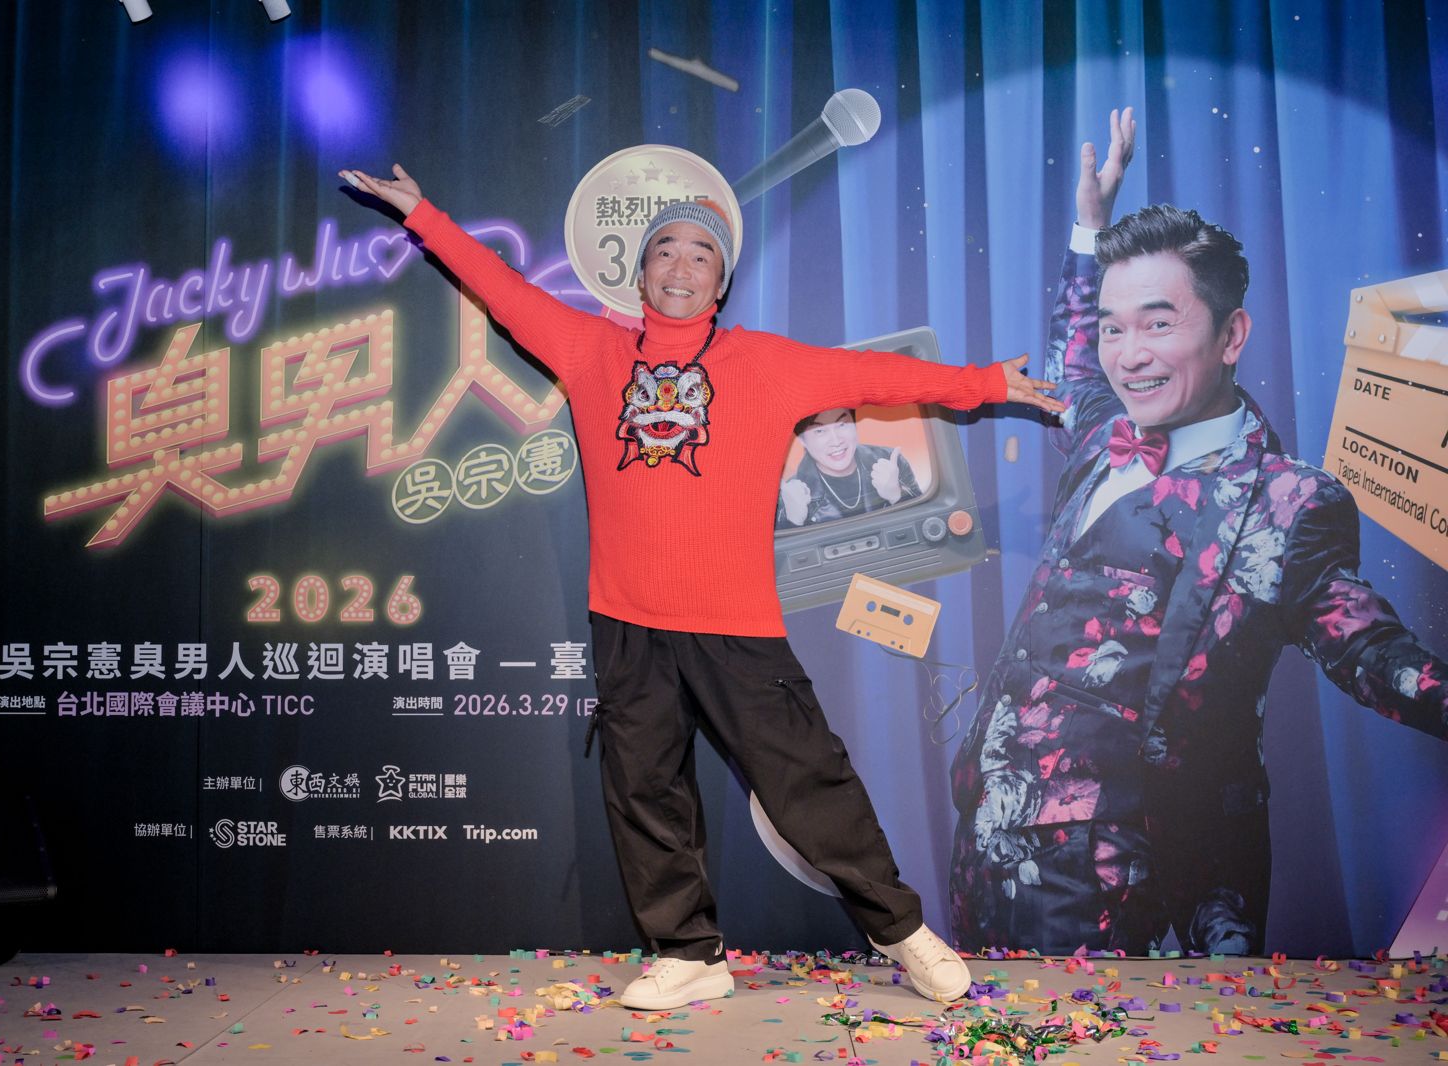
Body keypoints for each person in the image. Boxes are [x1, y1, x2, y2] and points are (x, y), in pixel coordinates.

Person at [340, 163, 1064, 1008]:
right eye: (665, 251)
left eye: (701, 255)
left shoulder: (766, 363)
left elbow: (878, 377)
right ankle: (688, 953)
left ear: (720, 283)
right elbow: (502, 291)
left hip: (736, 623)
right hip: (626, 621)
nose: (680, 268)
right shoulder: (588, 348)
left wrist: (986, 383)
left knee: (810, 785)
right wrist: (423, 213)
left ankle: (901, 931)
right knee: (644, 789)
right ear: (640, 272)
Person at [948, 109, 1448, 955]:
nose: (1128, 353)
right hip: (983, 842)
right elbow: (1076, 355)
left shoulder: (1286, 503)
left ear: (1232, 335)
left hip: (1124, 880)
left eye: (1158, 323)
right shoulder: (1104, 431)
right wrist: (1091, 227)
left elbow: (1373, 653)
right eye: (1116, 327)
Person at [777, 407, 920, 527]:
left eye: (842, 424)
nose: (836, 441)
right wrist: (792, 520)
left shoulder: (890, 464)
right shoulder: (792, 493)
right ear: (802, 440)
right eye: (819, 431)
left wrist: (897, 495)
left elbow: (925, 526)